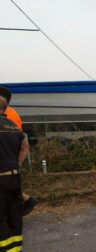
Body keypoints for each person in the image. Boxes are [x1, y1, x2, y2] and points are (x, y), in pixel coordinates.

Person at [0, 87, 38, 216]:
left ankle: (26, 201)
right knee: (9, 186)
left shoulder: (8, 115)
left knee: (7, 186)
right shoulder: (11, 113)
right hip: (12, 155)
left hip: (6, 155)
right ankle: (25, 202)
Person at [0, 97, 30, 252]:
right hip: (14, 176)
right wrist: (17, 163)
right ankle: (15, 249)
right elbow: (25, 148)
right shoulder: (14, 127)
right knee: (14, 216)